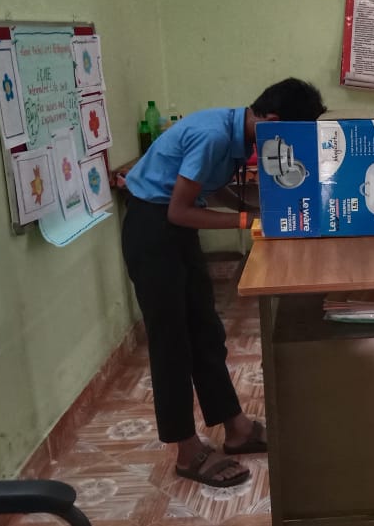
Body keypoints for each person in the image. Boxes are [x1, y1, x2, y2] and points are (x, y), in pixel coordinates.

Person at [120, 78, 327, 487]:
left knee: (206, 331)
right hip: (152, 228)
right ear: (273, 121)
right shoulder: (213, 136)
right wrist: (248, 221)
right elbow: (179, 210)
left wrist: (260, 208)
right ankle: (186, 450)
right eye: (290, 136)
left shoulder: (238, 134)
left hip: (174, 228)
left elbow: (209, 190)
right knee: (172, 343)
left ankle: (236, 428)